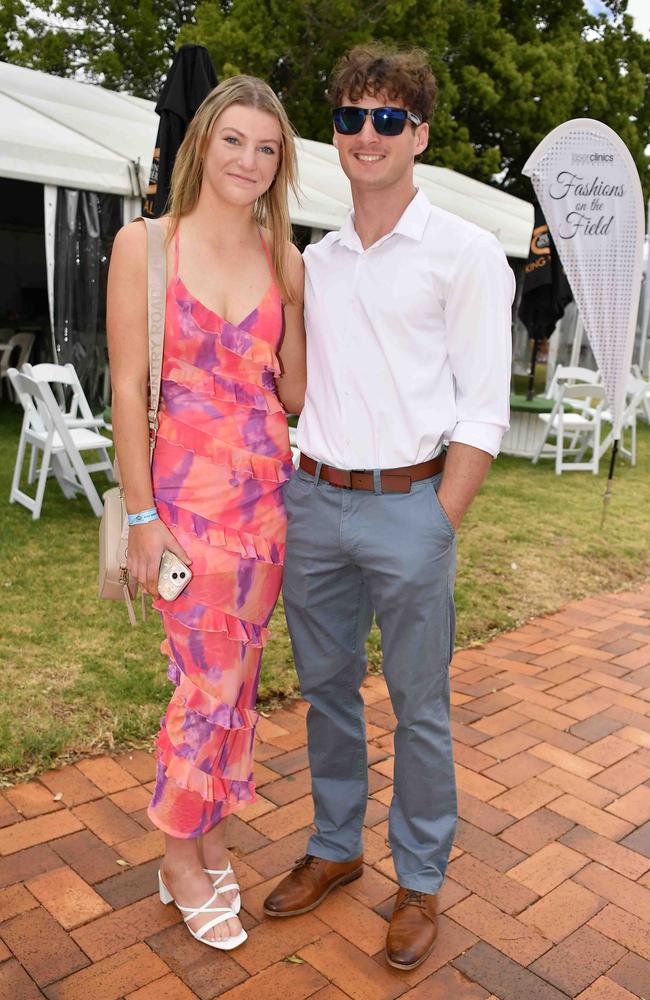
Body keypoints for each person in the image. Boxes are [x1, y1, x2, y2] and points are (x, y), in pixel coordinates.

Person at [263, 44, 514, 972]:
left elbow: (484, 408)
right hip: (315, 500)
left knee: (419, 705)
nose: (366, 134)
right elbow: (291, 386)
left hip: (412, 506)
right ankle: (337, 847)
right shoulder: (315, 261)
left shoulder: (466, 254)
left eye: (387, 118)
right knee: (327, 695)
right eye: (350, 116)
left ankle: (419, 879)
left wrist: (438, 519)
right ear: (333, 131)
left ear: (420, 133)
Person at [107, 75, 306, 951]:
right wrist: (144, 516)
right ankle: (181, 856)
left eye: (267, 149)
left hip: (265, 502)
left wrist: (294, 294)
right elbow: (124, 386)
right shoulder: (144, 245)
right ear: (201, 146)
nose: (249, 161)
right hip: (184, 504)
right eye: (234, 141)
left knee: (236, 685)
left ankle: (210, 833)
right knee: (205, 684)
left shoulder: (284, 259)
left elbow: (292, 391)